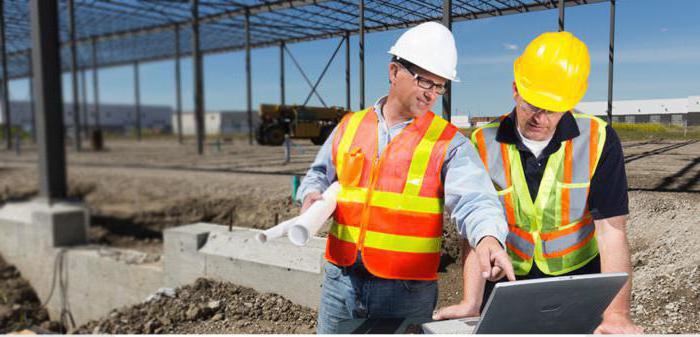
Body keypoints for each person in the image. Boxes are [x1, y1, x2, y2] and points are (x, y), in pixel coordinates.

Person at [296, 22, 515, 334]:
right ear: (393, 71)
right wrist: (311, 195)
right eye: (425, 81)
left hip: (406, 291)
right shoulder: (350, 125)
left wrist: (488, 237)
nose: (432, 94)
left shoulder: (449, 143)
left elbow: (476, 200)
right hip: (340, 281)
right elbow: (318, 174)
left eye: (439, 86)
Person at [433, 31, 643, 334]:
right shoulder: (482, 142)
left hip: (578, 279)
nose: (540, 118)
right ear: (516, 89)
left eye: (552, 109)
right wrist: (471, 302)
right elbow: (474, 231)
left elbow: (611, 231)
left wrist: (617, 312)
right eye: (532, 105)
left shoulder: (598, 139)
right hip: (507, 280)